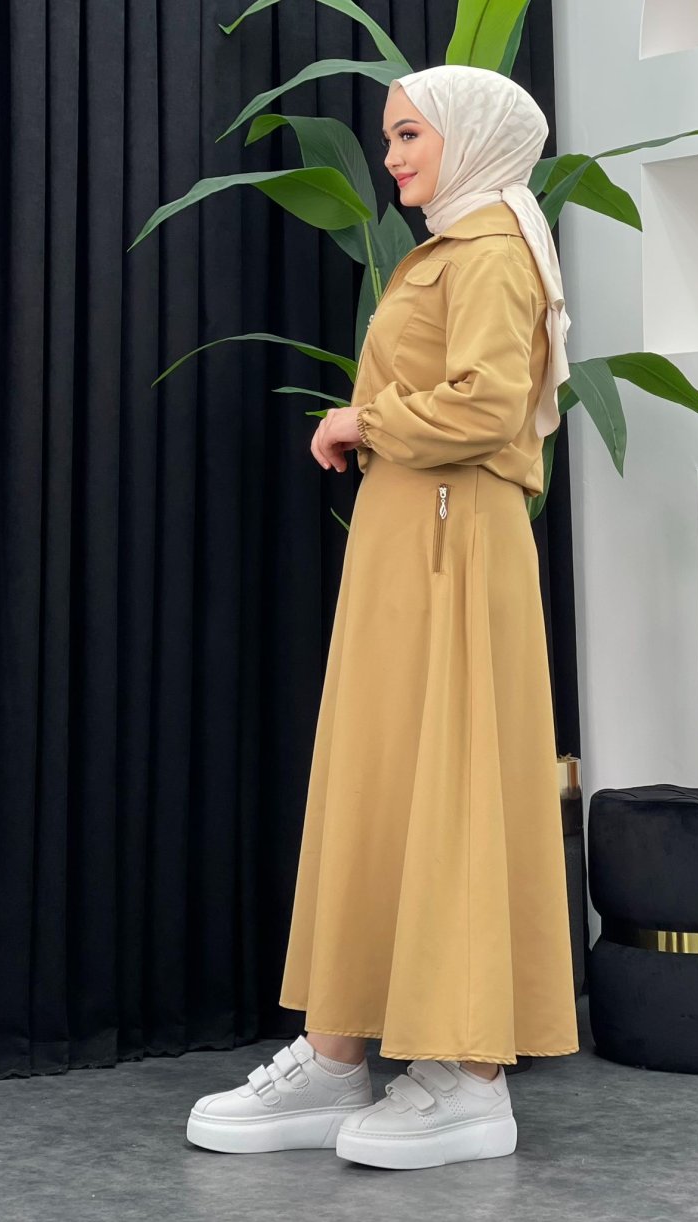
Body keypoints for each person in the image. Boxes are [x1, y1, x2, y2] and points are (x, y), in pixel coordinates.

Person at [186, 63, 578, 1172]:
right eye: (391, 136)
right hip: (413, 539)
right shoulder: (453, 246)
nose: (393, 154)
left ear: (470, 137)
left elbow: (488, 402)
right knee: (381, 779)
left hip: (455, 539)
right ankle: (337, 1051)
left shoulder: (490, 250)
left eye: (411, 135)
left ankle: (468, 1077)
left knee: (452, 783)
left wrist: (364, 420)